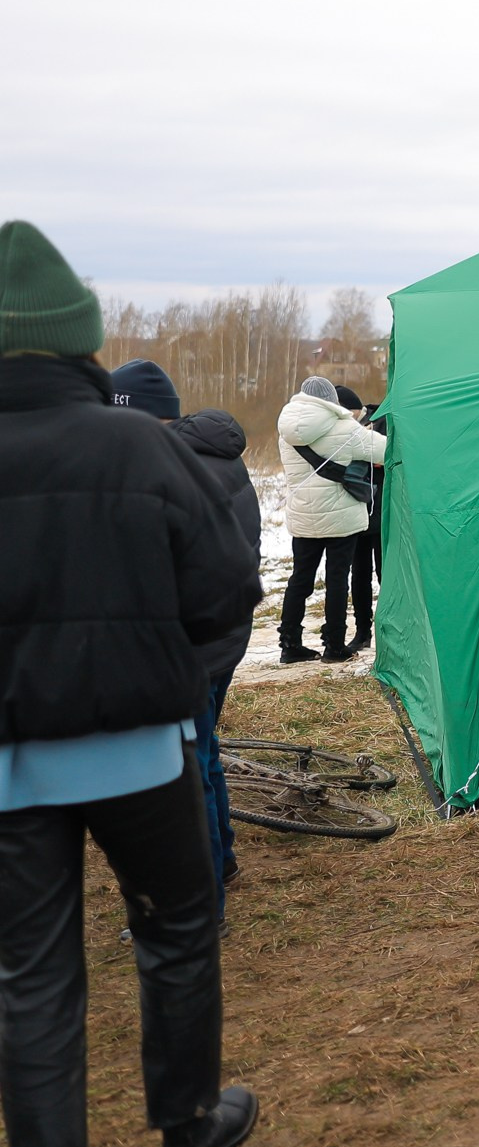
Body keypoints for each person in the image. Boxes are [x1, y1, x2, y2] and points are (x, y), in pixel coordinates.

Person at [1, 220, 264, 1147]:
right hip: (142, 752)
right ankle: (187, 1132)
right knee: (176, 932)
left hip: (10, 767)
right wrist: (171, 673)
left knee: (33, 973)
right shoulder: (141, 444)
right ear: (77, 338)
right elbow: (224, 591)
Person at [113, 360, 261, 908]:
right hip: (223, 636)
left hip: (188, 643)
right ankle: (220, 862)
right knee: (203, 752)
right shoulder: (219, 457)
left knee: (180, 771)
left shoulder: (167, 469)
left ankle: (196, 903)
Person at [274, 373, 387, 663]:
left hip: (302, 515)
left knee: (300, 579)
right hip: (340, 517)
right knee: (337, 580)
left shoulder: (286, 429)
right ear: (330, 401)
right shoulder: (344, 426)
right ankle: (334, 646)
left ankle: (289, 644)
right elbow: (384, 451)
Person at [335, 386, 383, 650]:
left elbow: (388, 456)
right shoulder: (339, 430)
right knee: (359, 574)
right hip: (355, 511)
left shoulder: (383, 421)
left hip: (383, 512)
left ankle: (390, 630)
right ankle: (362, 631)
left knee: (385, 573)